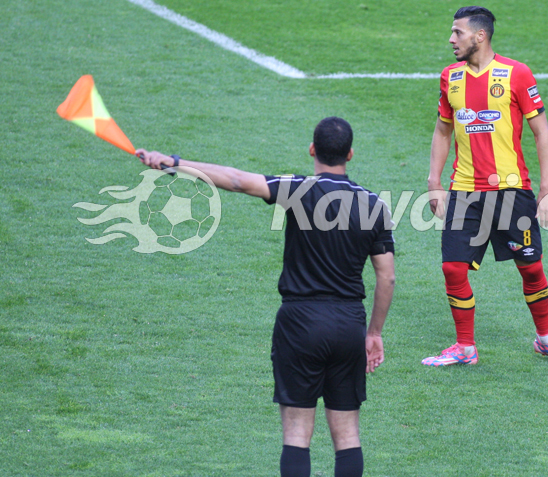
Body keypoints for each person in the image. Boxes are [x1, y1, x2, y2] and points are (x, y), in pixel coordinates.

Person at [137, 116, 395, 477]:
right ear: (350, 154)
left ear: (312, 150)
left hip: (300, 323)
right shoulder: (374, 205)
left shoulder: (298, 189)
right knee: (348, 435)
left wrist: (177, 164)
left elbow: (238, 180)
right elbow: (387, 276)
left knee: (296, 434)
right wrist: (374, 332)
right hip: (348, 324)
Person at [422, 6, 548, 367]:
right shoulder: (450, 78)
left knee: (531, 266)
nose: (451, 39)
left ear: (480, 36)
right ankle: (464, 347)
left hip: (512, 191)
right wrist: (434, 180)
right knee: (453, 269)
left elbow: (542, 132)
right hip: (464, 190)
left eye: (457, 32)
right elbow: (443, 129)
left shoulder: (516, 74)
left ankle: (546, 340)